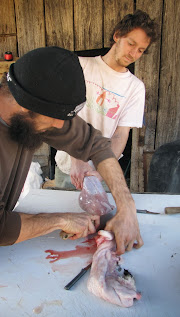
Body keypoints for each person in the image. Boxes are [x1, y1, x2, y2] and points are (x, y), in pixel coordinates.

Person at [0, 46, 143, 254]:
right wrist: (60, 220)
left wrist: (127, 206)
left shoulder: (32, 113)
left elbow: (96, 145)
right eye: (55, 118)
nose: (60, 127)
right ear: (24, 105)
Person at [55, 10, 159, 190]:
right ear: (117, 35)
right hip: (68, 166)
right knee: (63, 215)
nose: (133, 53)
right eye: (131, 43)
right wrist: (77, 159)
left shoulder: (135, 87)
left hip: (101, 170)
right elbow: (62, 113)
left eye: (140, 50)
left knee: (98, 217)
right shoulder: (80, 66)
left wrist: (102, 172)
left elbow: (121, 133)